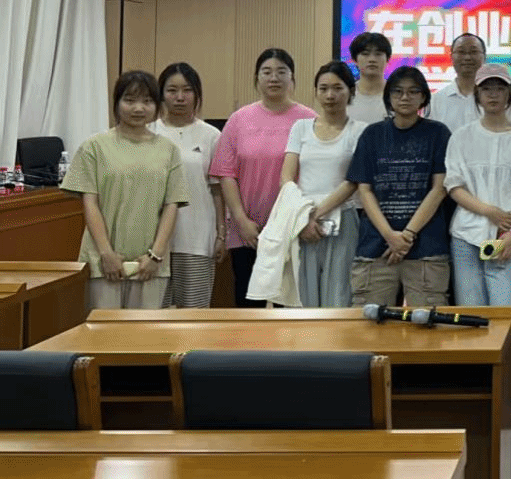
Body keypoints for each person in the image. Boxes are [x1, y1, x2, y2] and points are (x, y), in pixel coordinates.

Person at [446, 62, 511, 437]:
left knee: (506, 323)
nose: (493, 95)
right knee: (471, 322)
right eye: (487, 89)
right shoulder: (462, 136)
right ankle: (477, 399)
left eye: (500, 88)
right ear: (477, 95)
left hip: (508, 242)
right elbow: (454, 186)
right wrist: (489, 212)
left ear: (510, 94)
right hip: (467, 237)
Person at [63, 71, 189, 309]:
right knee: (104, 330)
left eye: (147, 101)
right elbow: (90, 204)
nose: (138, 108)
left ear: (157, 106)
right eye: (130, 100)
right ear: (117, 103)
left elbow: (172, 206)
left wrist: (155, 256)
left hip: (150, 263)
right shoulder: (94, 147)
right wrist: (106, 254)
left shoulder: (169, 150)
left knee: (145, 331)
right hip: (104, 261)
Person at [209, 48, 316, 306]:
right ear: (256, 78)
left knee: (289, 304)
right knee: (248, 303)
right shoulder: (239, 119)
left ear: (292, 78)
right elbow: (226, 174)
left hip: (292, 228)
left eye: (281, 72)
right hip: (247, 229)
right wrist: (240, 220)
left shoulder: (309, 119)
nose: (274, 78)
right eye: (266, 72)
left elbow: (315, 172)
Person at [346, 66, 452, 310]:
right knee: (369, 324)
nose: (405, 97)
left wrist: (407, 235)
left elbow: (439, 189)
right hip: (376, 247)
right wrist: (390, 236)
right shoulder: (372, 134)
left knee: (428, 324)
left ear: (423, 97)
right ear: (389, 97)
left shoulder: (438, 133)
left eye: (413, 91)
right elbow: (364, 190)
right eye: (398, 91)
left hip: (426, 249)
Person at [282, 61, 367, 307]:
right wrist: (303, 218)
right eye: (324, 88)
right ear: (316, 92)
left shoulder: (360, 131)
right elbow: (286, 177)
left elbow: (352, 181)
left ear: (351, 92)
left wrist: (316, 215)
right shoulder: (300, 128)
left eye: (338, 88)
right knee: (301, 295)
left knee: (339, 294)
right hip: (301, 219)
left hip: (343, 218)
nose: (330, 95)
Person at [151, 62, 224, 308]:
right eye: (172, 90)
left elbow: (218, 190)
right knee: (154, 314)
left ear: (197, 94)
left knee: (194, 315)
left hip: (197, 237)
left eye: (187, 90)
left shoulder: (212, 136)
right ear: (161, 94)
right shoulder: (148, 132)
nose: (180, 97)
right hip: (152, 241)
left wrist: (221, 234)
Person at [430, 33, 486, 131]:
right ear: (451, 57)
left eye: (474, 52)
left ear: (484, 56)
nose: (467, 57)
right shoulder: (436, 101)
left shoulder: (498, 99)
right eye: (461, 52)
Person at [346, 31, 391, 124]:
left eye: (378, 54)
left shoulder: (396, 95)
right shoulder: (345, 96)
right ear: (355, 60)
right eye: (365, 54)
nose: (372, 59)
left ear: (387, 59)